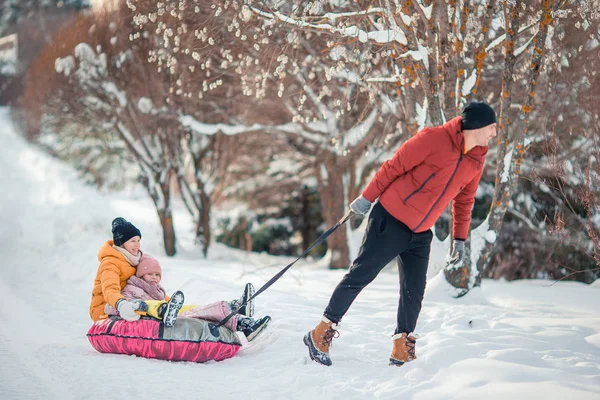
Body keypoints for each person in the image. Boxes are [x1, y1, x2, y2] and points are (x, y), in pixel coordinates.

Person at [304, 101, 497, 367]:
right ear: (475, 125)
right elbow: (393, 166)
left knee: (414, 290)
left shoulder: (476, 160)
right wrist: (366, 198)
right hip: (391, 218)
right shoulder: (433, 138)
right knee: (362, 274)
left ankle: (401, 347)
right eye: (491, 127)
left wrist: (460, 238)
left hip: (420, 232)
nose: (494, 134)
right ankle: (320, 332)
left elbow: (465, 201)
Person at [105, 254, 271, 341]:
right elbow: (120, 306)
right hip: (154, 318)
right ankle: (240, 314)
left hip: (171, 313)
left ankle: (243, 320)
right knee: (154, 306)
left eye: (157, 274)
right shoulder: (133, 288)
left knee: (201, 310)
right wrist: (136, 306)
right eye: (150, 274)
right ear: (141, 275)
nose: (155, 277)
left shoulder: (159, 293)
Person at [89, 217, 145, 322]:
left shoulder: (134, 261)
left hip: (129, 301)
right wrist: (121, 304)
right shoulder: (110, 262)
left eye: (138, 240)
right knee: (141, 306)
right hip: (104, 307)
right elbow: (110, 289)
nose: (138, 245)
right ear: (121, 243)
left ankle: (166, 308)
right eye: (133, 241)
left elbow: (148, 286)